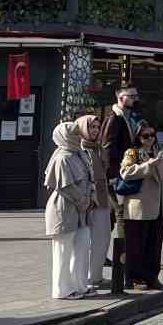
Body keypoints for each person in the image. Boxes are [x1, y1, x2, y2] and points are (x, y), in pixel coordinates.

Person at [118, 119, 163, 290]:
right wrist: (147, 165)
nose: (150, 139)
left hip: (157, 207)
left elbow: (161, 179)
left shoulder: (158, 152)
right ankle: (134, 277)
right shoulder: (132, 153)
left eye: (152, 135)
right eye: (145, 136)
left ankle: (152, 276)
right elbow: (126, 173)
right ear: (138, 137)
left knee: (154, 244)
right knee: (136, 245)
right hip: (139, 207)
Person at [44, 120, 95, 299]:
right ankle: (62, 289)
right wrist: (82, 200)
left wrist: (89, 197)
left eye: (78, 133)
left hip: (83, 208)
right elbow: (65, 187)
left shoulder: (79, 154)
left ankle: (80, 284)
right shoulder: (62, 157)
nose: (78, 136)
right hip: (65, 208)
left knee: (82, 247)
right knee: (63, 251)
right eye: (73, 134)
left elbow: (89, 179)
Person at [77, 115, 112, 289]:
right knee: (87, 241)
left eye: (97, 127)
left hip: (103, 197)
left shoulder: (99, 148)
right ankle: (87, 277)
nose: (95, 131)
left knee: (103, 238)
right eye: (91, 127)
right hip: (89, 199)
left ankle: (96, 275)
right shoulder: (78, 149)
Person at [102, 85, 139, 183]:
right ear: (120, 97)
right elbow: (108, 148)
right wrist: (113, 174)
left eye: (136, 96)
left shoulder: (132, 118)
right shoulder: (114, 118)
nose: (135, 99)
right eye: (131, 96)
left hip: (128, 169)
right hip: (118, 173)